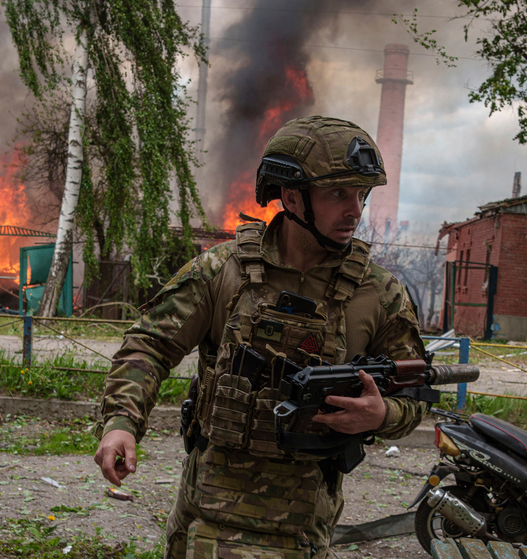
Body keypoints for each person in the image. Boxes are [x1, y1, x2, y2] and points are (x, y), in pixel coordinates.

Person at [94, 116, 428, 558]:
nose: (355, 209)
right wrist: (121, 421)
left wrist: (382, 414)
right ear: (292, 197)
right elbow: (150, 346)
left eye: (361, 195)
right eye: (338, 193)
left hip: (302, 528)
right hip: (206, 514)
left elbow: (417, 391)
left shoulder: (380, 294)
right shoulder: (223, 271)